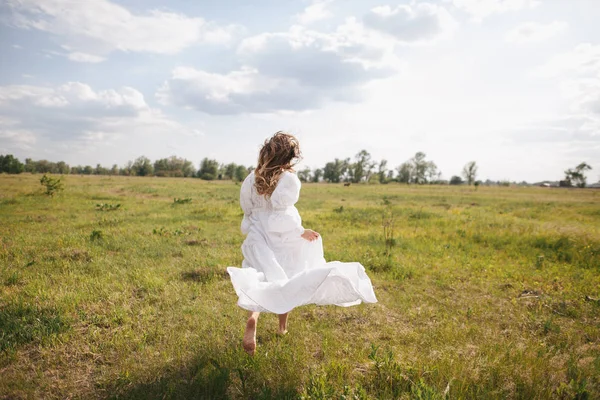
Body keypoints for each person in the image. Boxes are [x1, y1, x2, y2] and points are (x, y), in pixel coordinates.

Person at [226, 132, 377, 355]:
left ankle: (253, 320)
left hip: (257, 238)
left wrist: (255, 226)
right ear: (289, 157)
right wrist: (300, 231)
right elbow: (281, 215)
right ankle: (282, 328)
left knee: (260, 279)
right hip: (282, 238)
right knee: (287, 281)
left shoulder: (251, 179)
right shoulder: (287, 179)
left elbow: (248, 212)